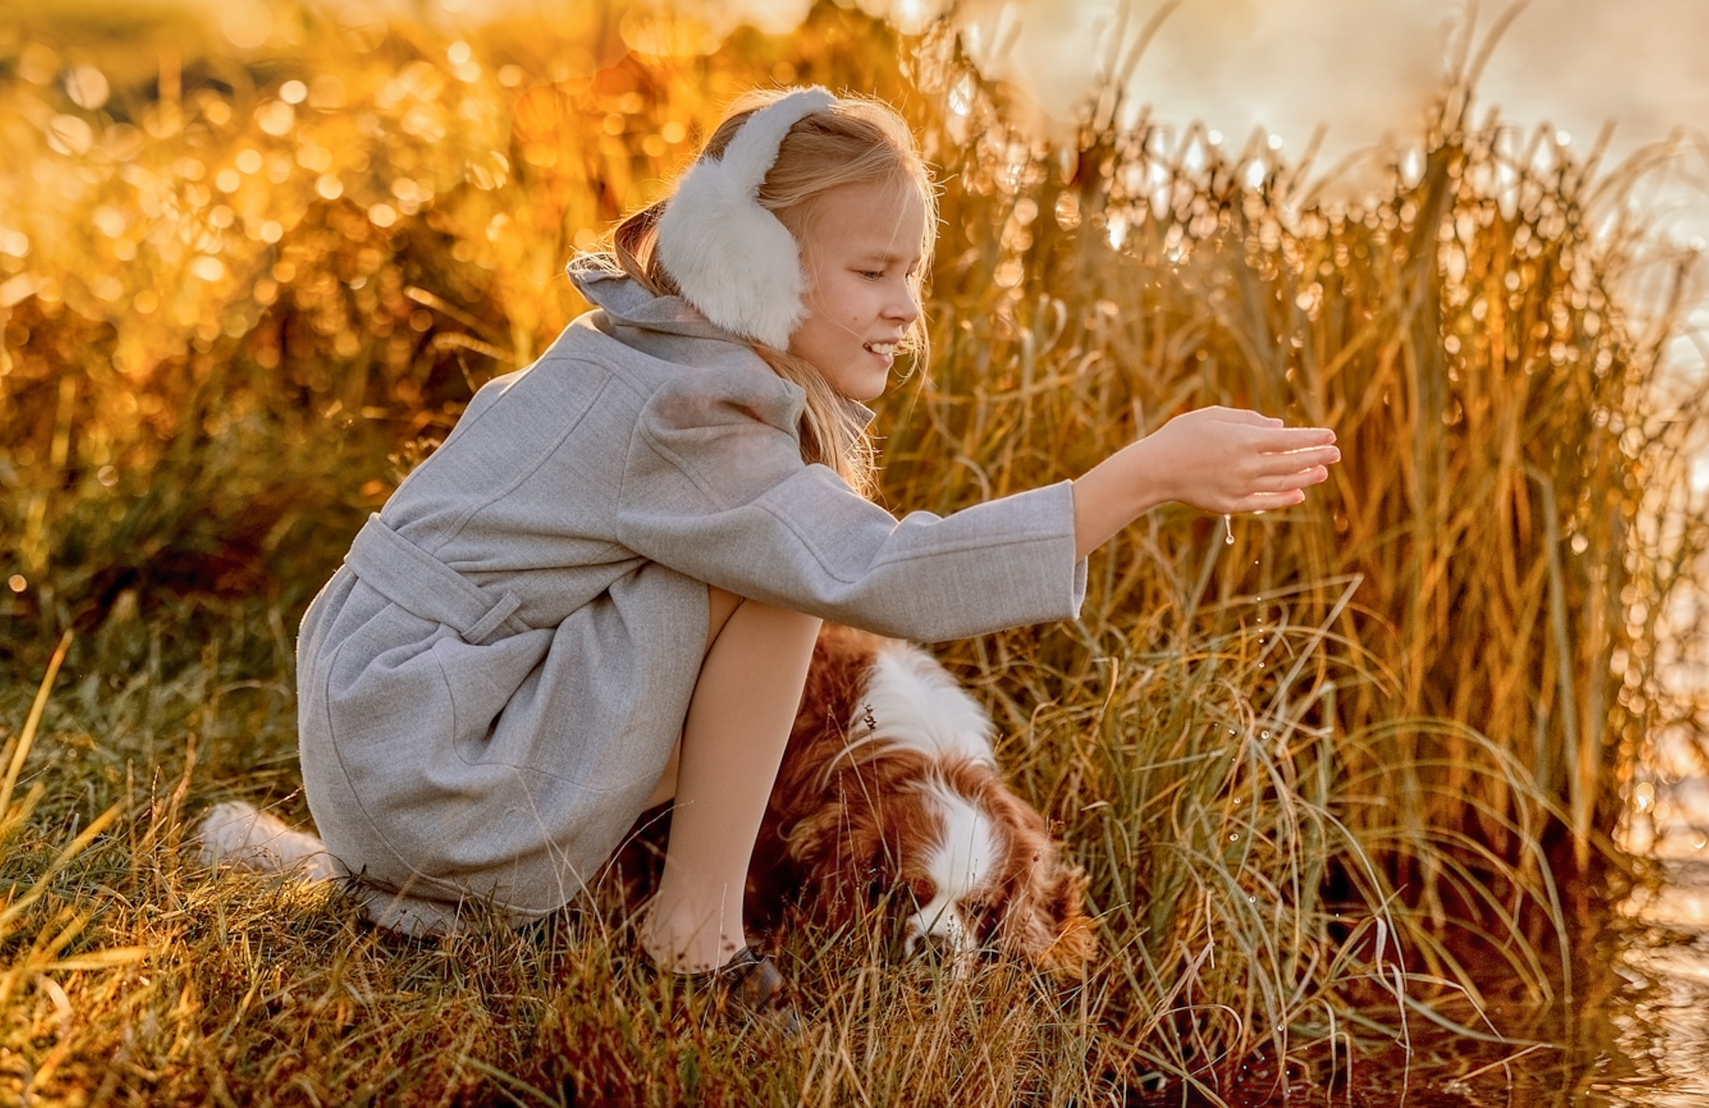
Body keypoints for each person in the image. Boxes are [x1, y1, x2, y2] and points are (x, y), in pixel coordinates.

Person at [293, 86, 1339, 1011]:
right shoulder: (690, 407)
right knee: (793, 571)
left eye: (911, 271)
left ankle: (514, 893)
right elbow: (887, 575)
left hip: (393, 734)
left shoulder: (643, 346)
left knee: (785, 547)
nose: (905, 308)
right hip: (426, 766)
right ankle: (693, 938)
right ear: (752, 266)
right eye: (873, 269)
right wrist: (1141, 474)